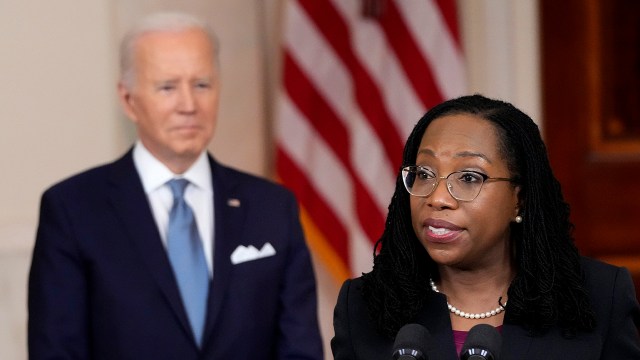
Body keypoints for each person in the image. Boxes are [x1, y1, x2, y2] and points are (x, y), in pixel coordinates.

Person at [28, 12, 323, 359]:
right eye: (167, 87)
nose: (189, 105)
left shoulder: (272, 207)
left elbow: (300, 351)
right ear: (128, 100)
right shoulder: (72, 210)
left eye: (202, 85)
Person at [331, 94, 640, 359]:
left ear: (519, 199)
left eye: (468, 178)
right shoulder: (363, 306)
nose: (437, 198)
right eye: (424, 173)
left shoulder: (600, 298)